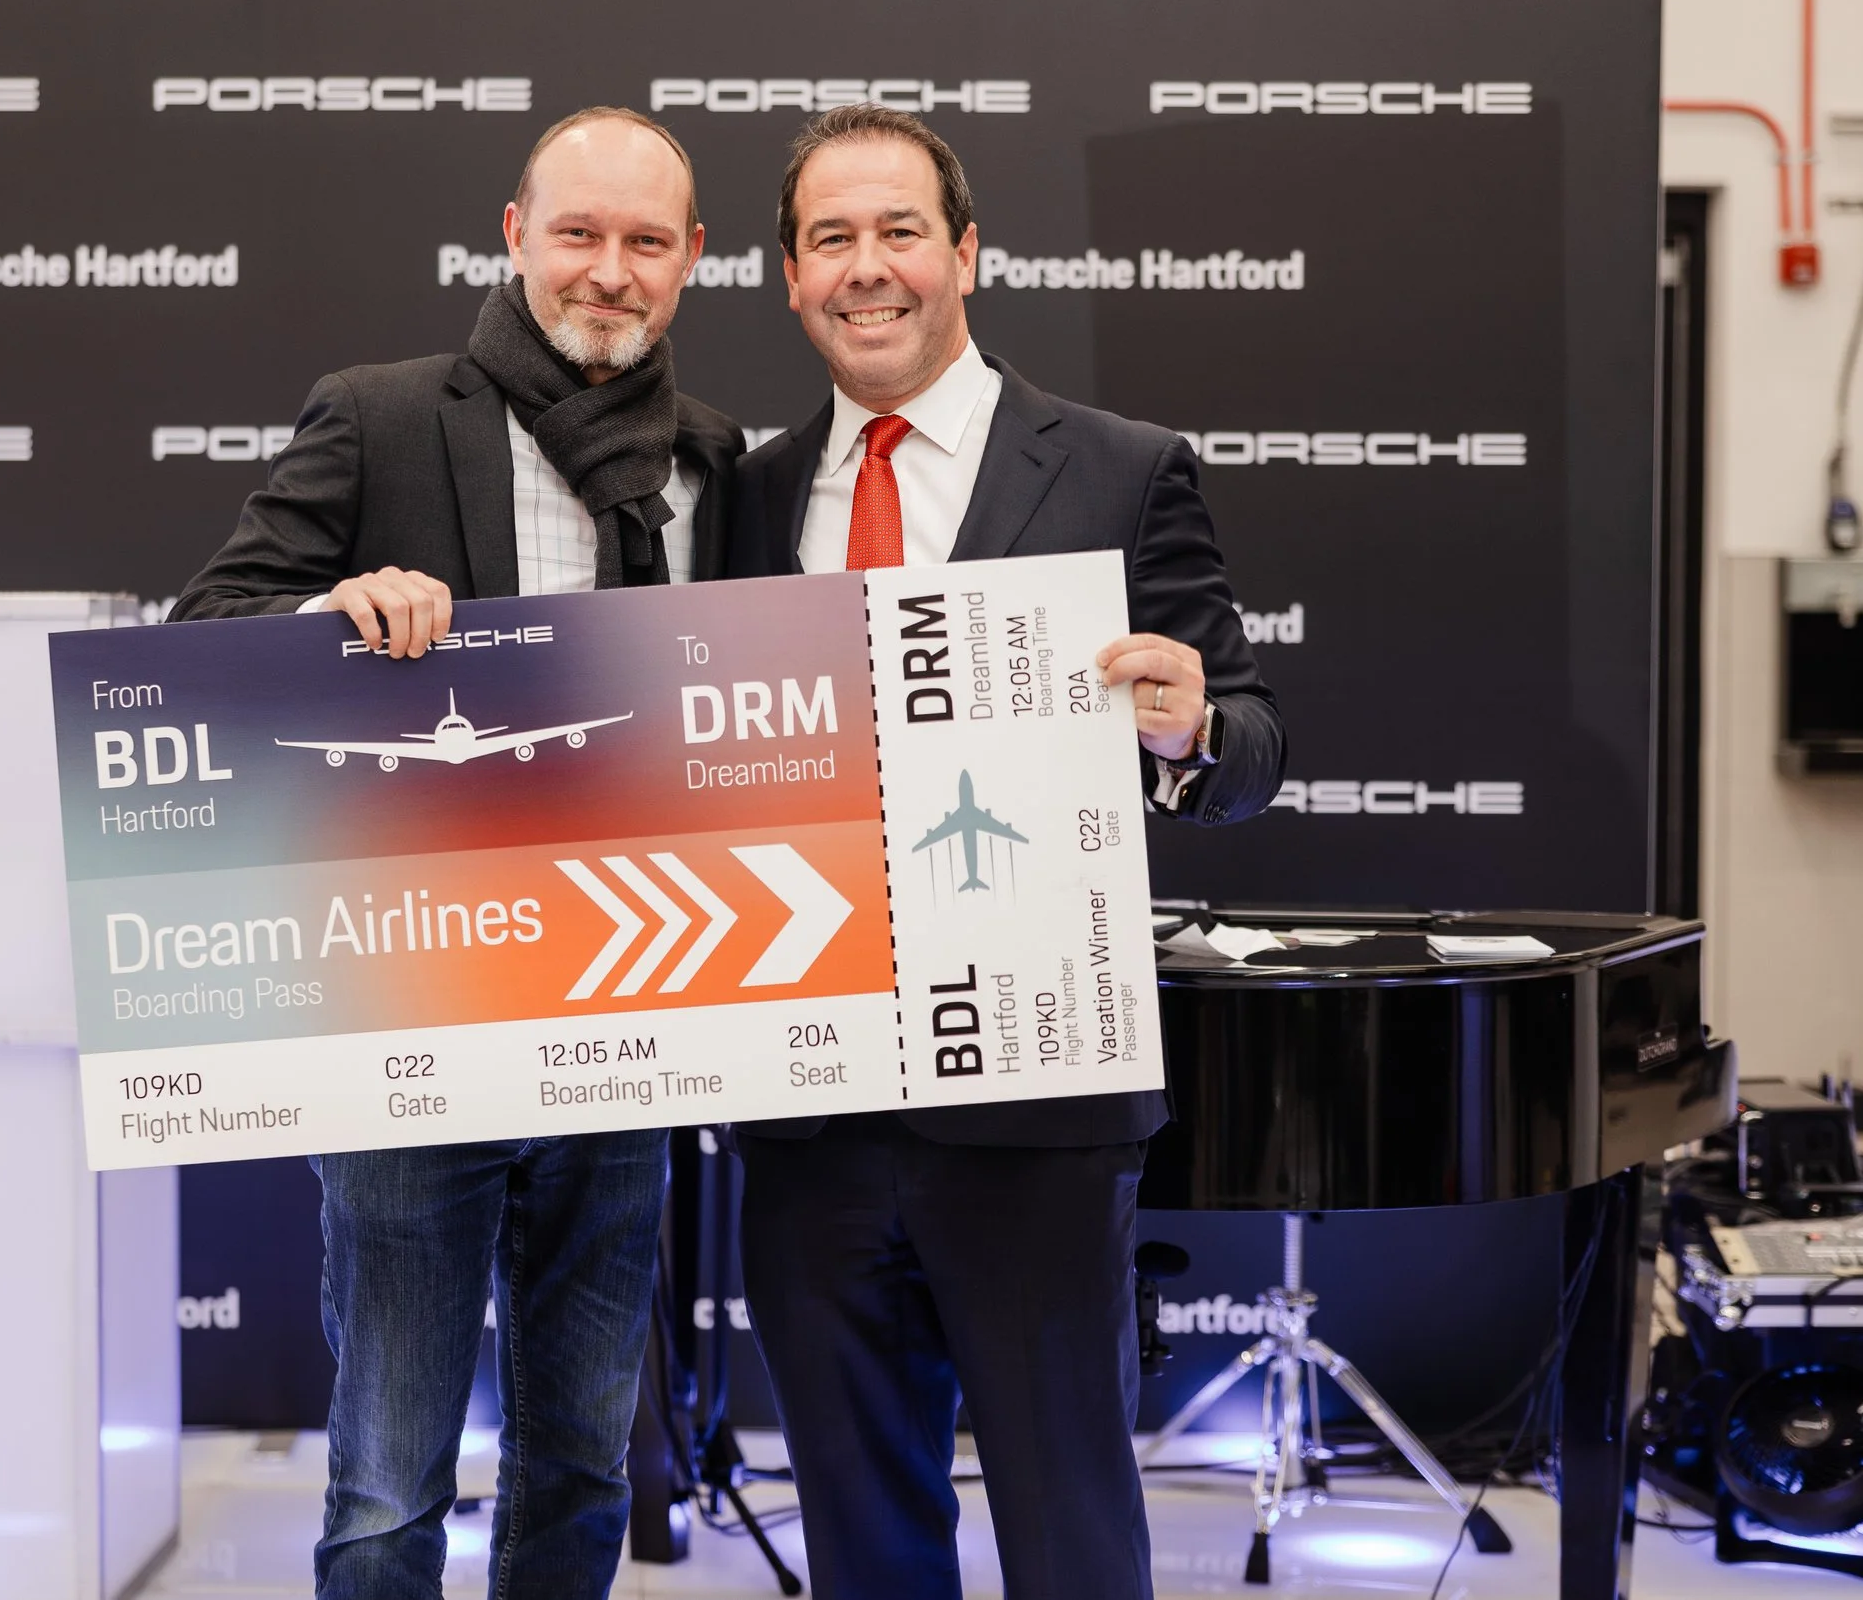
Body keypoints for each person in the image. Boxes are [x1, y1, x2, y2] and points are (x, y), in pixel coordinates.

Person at [170, 107, 743, 1599]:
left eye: (643, 243)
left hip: (630, 1027)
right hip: (411, 1034)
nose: (606, 272)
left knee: (580, 1469)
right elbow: (195, 648)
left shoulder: (715, 460)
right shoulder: (380, 414)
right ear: (512, 235)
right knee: (384, 1483)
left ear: (688, 263)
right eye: (578, 234)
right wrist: (336, 610)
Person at [724, 104, 1286, 1600]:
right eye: (830, 238)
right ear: (789, 276)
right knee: (861, 1538)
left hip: (1038, 1114)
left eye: (899, 230)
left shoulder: (1121, 467)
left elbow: (1253, 735)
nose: (868, 267)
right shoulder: (746, 495)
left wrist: (1187, 731)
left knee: (1072, 1536)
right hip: (808, 1116)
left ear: (966, 253)